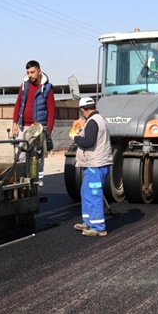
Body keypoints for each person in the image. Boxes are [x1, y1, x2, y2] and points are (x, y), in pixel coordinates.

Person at [70, 97, 113, 237]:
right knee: (86, 193)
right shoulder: (100, 119)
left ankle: (98, 227)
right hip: (97, 163)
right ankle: (88, 221)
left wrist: (75, 138)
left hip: (95, 164)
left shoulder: (93, 122)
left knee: (93, 194)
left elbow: (88, 141)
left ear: (83, 110)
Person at [12, 60, 55, 186]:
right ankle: (21, 183)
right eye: (28, 72)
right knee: (20, 155)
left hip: (37, 129)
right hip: (22, 126)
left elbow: (52, 111)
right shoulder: (24, 86)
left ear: (39, 71)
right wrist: (14, 123)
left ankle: (37, 185)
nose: (30, 75)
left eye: (32, 72)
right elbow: (18, 104)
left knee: (36, 157)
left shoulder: (47, 88)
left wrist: (48, 131)